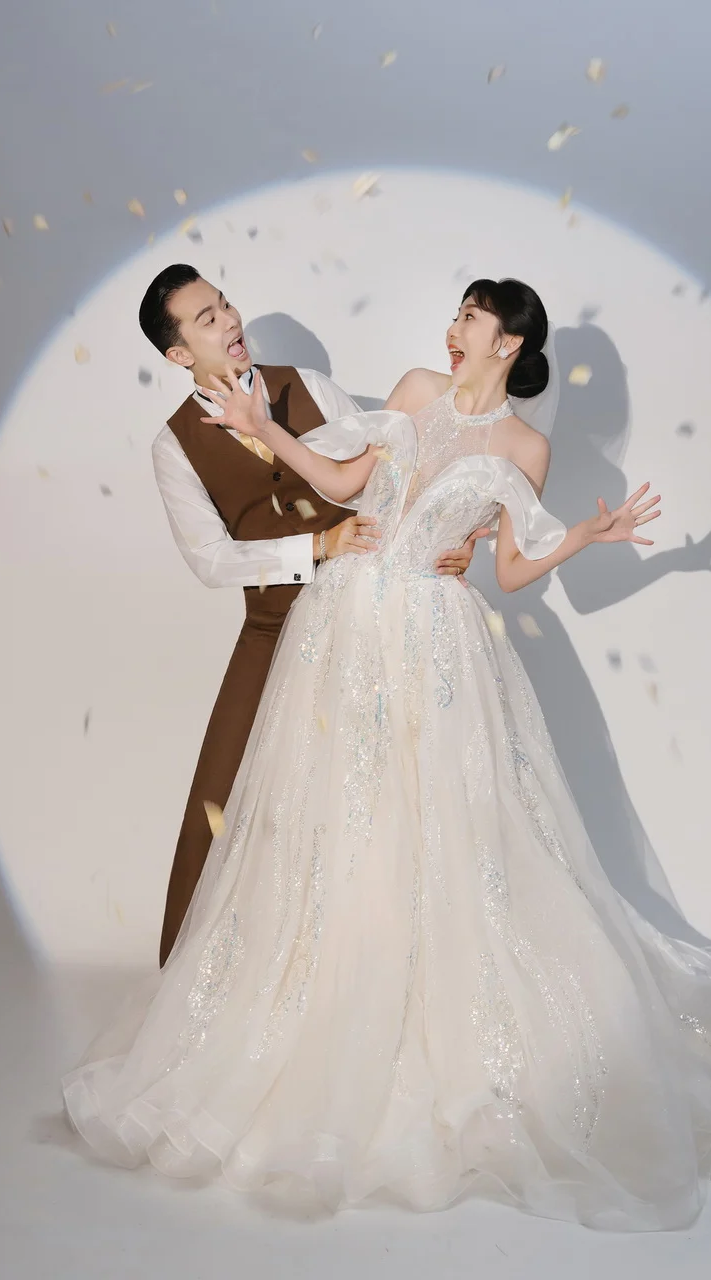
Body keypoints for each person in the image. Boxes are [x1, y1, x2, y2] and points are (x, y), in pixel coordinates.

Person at [63, 278, 711, 1230]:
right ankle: (298, 991)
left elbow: (508, 565)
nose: (451, 330)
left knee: (439, 816)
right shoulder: (407, 391)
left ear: (508, 343)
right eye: (455, 314)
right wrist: (267, 441)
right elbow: (337, 484)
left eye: (469, 319)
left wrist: (584, 538)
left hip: (437, 634)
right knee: (327, 807)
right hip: (345, 615)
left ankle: (424, 1002)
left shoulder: (521, 446)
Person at [142, 265, 481, 966]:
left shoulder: (311, 387)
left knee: (380, 787)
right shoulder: (174, 446)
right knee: (222, 794)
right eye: (207, 319)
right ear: (178, 354)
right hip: (273, 629)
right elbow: (210, 558)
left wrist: (461, 535)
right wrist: (315, 547)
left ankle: (371, 962)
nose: (229, 321)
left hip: (368, 613)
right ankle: (194, 970)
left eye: (225, 304)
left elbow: (394, 470)